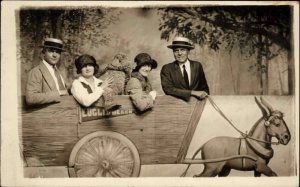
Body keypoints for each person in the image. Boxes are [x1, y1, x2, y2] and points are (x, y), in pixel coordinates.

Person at [160, 36, 209, 101]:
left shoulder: (197, 66)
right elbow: (168, 89)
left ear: (188, 51)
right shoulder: (167, 68)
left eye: (182, 50)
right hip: (177, 106)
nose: (179, 53)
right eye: (176, 51)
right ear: (173, 52)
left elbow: (204, 88)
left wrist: (204, 97)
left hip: (197, 105)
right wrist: (192, 92)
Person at [26, 38, 69, 105]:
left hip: (64, 113)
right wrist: (59, 93)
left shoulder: (59, 73)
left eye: (58, 52)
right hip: (46, 114)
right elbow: (30, 98)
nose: (55, 55)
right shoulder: (36, 72)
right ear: (44, 52)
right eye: (51, 51)